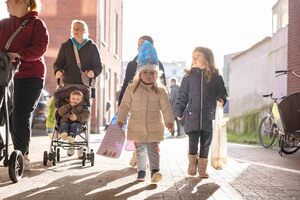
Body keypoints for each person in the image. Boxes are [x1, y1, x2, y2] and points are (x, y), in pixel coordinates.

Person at [0, 0, 49, 170]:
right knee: (8, 116)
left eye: (8, 0)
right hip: (5, 77)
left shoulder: (37, 24)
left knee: (20, 115)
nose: (5, 3)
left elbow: (41, 47)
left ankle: (22, 155)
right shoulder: (3, 24)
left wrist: (19, 54)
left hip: (30, 76)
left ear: (21, 2)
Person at [117, 40, 174, 183]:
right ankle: (141, 171)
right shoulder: (132, 88)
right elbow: (124, 105)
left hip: (154, 126)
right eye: (145, 72)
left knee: (154, 150)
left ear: (157, 73)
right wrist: (121, 119)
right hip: (136, 125)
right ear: (139, 73)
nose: (149, 75)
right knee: (140, 150)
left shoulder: (161, 90)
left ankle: (155, 171)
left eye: (152, 73)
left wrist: (169, 121)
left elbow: (166, 107)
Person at [174, 47, 227, 178]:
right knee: (192, 142)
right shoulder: (189, 76)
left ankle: (202, 169)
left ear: (207, 58)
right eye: (193, 56)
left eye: (198, 56)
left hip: (208, 116)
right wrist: (178, 111)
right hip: (192, 115)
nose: (194, 58)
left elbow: (222, 92)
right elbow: (182, 96)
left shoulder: (215, 77)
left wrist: (221, 98)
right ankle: (192, 165)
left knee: (205, 144)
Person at [53, 19, 102, 157]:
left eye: (79, 28)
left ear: (85, 31)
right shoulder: (66, 46)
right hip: (68, 85)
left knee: (80, 115)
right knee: (66, 113)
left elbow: (99, 66)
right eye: (74, 28)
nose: (76, 31)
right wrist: (57, 70)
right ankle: (70, 144)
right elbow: (58, 63)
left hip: (84, 86)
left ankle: (79, 147)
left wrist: (94, 72)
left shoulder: (91, 47)